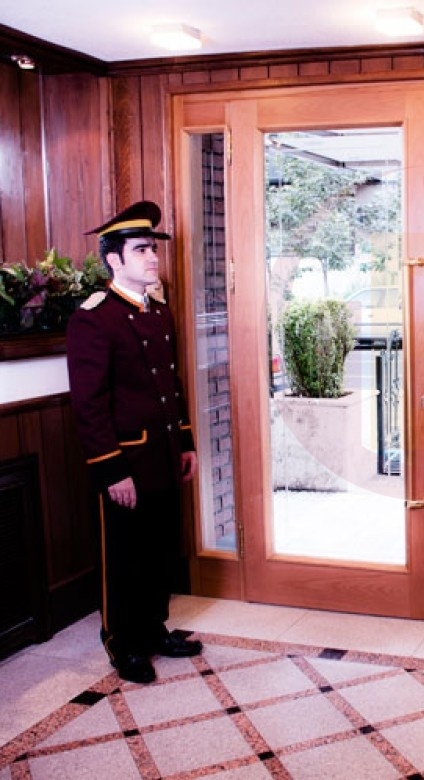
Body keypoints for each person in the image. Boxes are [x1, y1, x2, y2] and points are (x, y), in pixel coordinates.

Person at [66, 200, 201, 684]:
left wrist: (184, 441)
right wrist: (111, 468)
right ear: (113, 259)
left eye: (153, 249)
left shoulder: (158, 312)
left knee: (159, 549)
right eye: (141, 249)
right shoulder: (94, 319)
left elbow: (171, 385)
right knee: (125, 557)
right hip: (126, 461)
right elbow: (89, 404)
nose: (152, 257)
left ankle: (153, 628)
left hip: (162, 454)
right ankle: (122, 643)